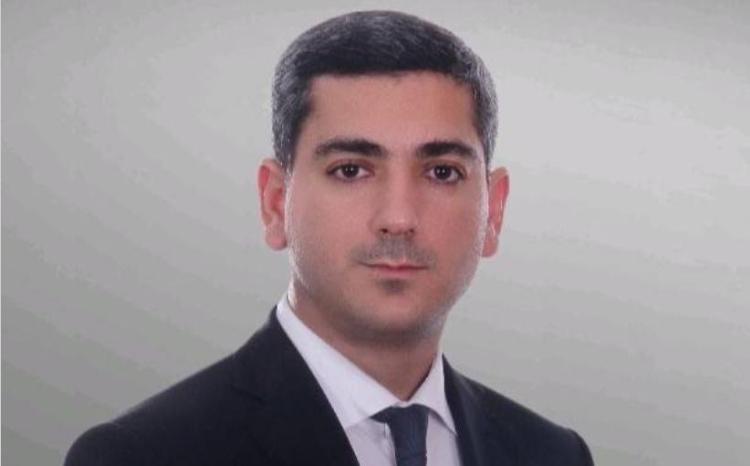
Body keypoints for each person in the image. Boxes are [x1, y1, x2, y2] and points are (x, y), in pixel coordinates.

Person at [65, 10, 594, 466]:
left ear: (494, 211)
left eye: (441, 172)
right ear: (275, 202)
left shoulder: (551, 454)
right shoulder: (143, 455)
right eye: (350, 170)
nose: (398, 218)